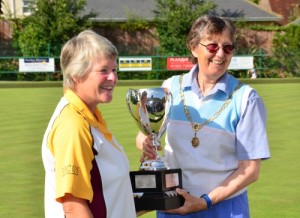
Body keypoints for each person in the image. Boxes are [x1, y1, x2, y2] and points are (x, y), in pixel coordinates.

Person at [136, 15, 270, 218]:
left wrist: (205, 202)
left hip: (225, 208)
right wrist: (146, 142)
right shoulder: (170, 87)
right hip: (173, 205)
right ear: (193, 47)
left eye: (227, 47)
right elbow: (143, 134)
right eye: (213, 46)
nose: (220, 54)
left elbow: (250, 170)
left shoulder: (246, 99)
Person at [41, 30, 136, 218]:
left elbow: (106, 194)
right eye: (103, 70)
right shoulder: (73, 124)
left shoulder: (89, 116)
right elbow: (73, 206)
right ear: (76, 74)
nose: (113, 78)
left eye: (114, 70)